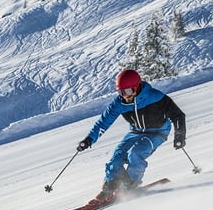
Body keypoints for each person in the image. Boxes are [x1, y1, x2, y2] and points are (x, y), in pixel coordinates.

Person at [77, 68, 187, 202]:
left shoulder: (155, 97)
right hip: (135, 131)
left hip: (157, 132)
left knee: (136, 153)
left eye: (128, 91)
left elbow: (177, 115)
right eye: (121, 92)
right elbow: (103, 123)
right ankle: (110, 186)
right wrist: (89, 139)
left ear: (137, 87)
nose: (125, 95)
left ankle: (131, 184)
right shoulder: (119, 104)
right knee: (117, 156)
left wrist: (179, 135)